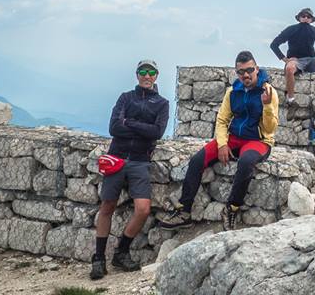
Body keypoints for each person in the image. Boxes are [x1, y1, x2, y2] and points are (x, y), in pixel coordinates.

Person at [157, 51, 278, 231]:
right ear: (236, 73)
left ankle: (231, 208)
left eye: (249, 70)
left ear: (257, 69)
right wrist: (222, 144)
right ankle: (184, 211)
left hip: (258, 141)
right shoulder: (232, 92)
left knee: (245, 163)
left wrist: (267, 105)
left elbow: (270, 129)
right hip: (233, 138)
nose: (245, 75)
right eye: (240, 71)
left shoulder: (268, 92)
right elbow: (222, 120)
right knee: (198, 160)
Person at [91, 59, 169, 281]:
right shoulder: (126, 97)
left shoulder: (162, 103)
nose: (147, 75)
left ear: (156, 76)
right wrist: (140, 129)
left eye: (151, 72)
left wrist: (129, 123)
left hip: (139, 161)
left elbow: (157, 132)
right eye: (143, 71)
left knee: (143, 209)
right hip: (116, 158)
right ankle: (98, 258)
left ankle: (121, 252)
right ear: (137, 75)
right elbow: (113, 127)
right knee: (107, 206)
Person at [270, 7, 315, 104]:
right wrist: (285, 60)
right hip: (295, 62)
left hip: (311, 61)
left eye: (308, 16)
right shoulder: (291, 29)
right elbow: (274, 45)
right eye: (303, 16)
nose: (306, 18)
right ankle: (290, 99)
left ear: (311, 20)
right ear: (299, 18)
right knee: (289, 68)